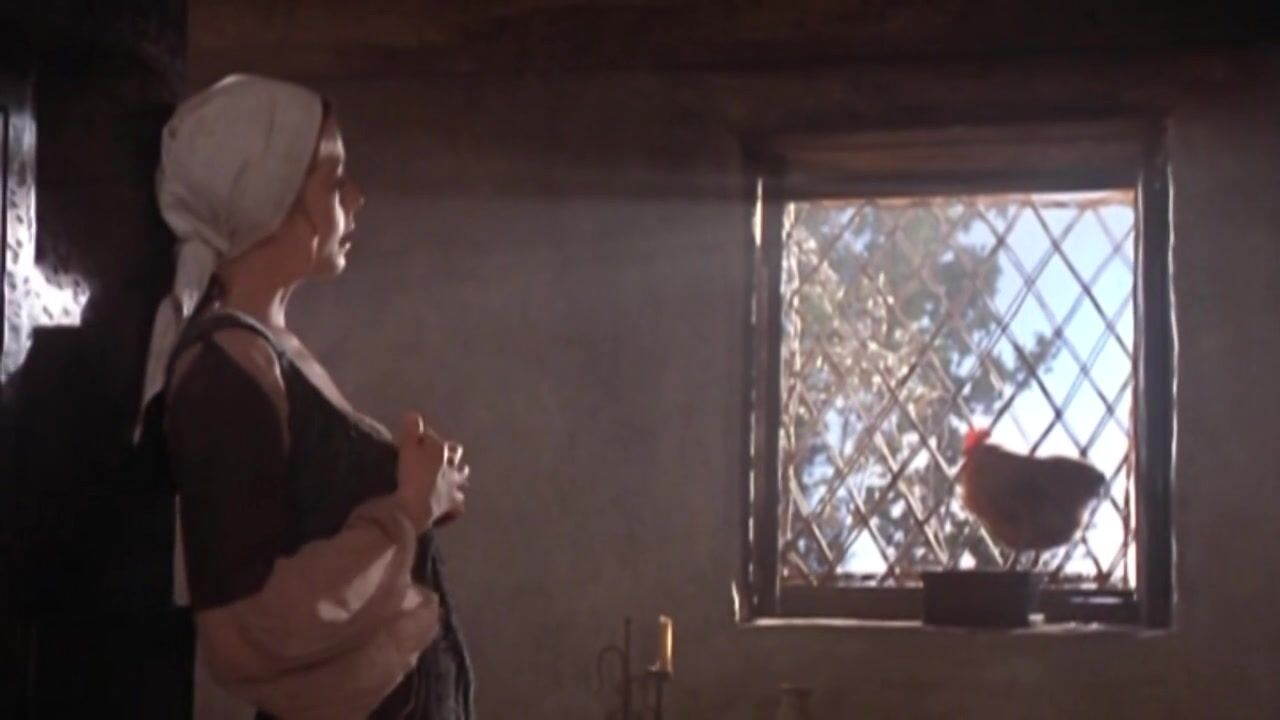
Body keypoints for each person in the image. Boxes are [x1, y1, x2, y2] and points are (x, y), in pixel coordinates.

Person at [134, 74, 473, 719]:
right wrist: (407, 510)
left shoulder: (265, 349)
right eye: (334, 179)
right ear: (270, 195)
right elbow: (245, 625)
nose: (356, 198)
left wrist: (420, 492)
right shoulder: (223, 373)